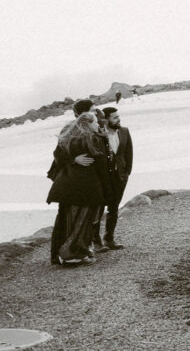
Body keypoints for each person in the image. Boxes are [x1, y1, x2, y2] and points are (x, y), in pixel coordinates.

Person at [46, 111, 113, 265]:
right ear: (86, 124)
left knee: (71, 220)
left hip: (68, 187)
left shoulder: (69, 138)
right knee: (82, 221)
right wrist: (108, 191)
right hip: (86, 188)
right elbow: (101, 166)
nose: (98, 124)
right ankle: (72, 253)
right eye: (95, 121)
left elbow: (57, 157)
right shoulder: (93, 139)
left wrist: (73, 159)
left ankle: (68, 253)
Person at [97, 107, 133, 250]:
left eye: (118, 116)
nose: (119, 119)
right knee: (99, 209)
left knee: (114, 208)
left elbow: (128, 153)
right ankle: (96, 241)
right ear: (105, 120)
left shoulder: (124, 131)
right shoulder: (99, 134)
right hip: (103, 178)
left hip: (120, 176)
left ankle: (109, 238)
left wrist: (127, 172)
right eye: (115, 117)